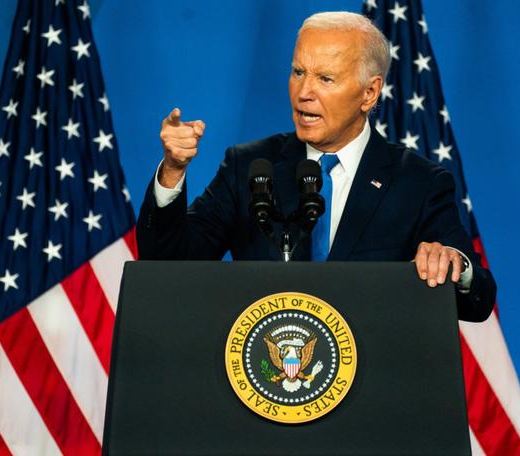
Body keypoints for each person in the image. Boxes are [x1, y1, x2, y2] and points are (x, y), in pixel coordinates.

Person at [137, 11, 495, 322]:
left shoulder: (418, 182)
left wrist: (454, 265)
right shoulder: (249, 166)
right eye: (297, 72)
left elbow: (477, 299)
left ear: (369, 94)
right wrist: (172, 170)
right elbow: (170, 263)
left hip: (370, 392)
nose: (304, 91)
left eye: (325, 78)